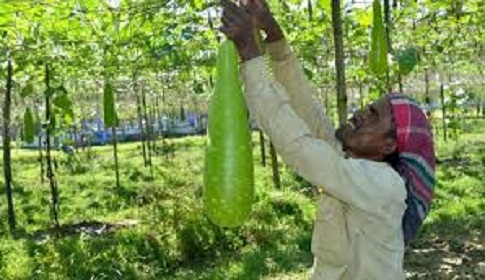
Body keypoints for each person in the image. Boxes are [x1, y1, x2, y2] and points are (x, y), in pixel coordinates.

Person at [219, 0, 436, 279]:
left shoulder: (384, 185)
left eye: (372, 115)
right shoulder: (351, 161)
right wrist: (274, 35)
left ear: (388, 146)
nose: (359, 114)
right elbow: (307, 111)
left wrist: (250, 52)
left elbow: (300, 147)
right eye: (366, 107)